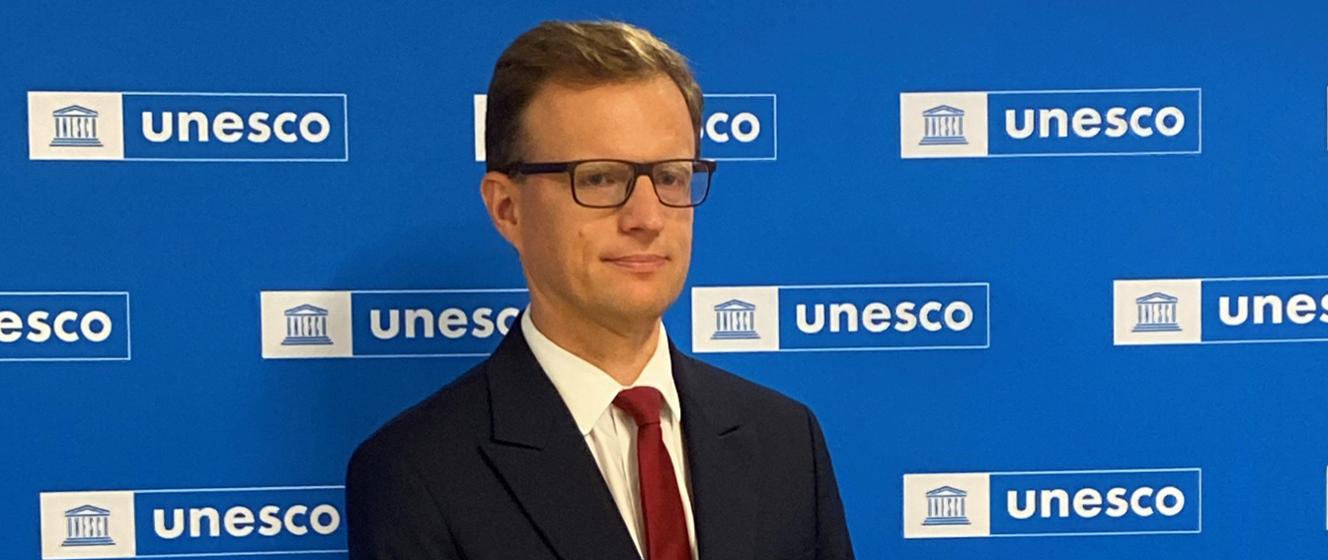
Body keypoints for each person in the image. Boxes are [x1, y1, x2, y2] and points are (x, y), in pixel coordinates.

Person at [345, 20, 855, 560]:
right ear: (507, 209)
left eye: (671, 176)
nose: (647, 218)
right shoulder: (416, 472)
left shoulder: (786, 439)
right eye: (599, 178)